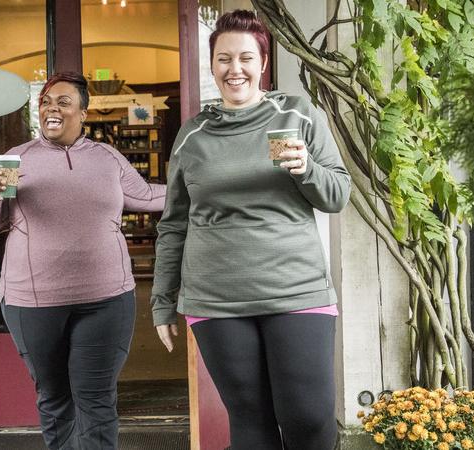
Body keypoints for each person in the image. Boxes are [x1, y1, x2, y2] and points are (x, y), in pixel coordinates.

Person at [150, 10, 351, 450]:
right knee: (250, 422)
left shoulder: (295, 114)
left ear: (263, 63)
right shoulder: (193, 135)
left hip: (295, 290)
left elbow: (336, 194)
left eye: (245, 58)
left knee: (310, 419)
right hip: (217, 298)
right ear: (212, 64)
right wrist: (163, 302)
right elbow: (174, 225)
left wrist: (307, 169)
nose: (234, 69)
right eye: (223, 59)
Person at [0, 72, 166, 449]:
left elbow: (148, 196)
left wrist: (204, 187)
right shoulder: (17, 158)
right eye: (45, 102)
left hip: (106, 300)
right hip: (34, 302)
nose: (52, 108)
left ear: (83, 114)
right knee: (56, 400)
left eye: (63, 101)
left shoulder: (106, 158)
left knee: (97, 400)